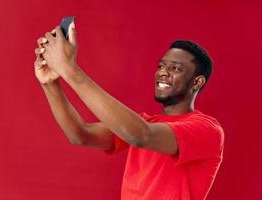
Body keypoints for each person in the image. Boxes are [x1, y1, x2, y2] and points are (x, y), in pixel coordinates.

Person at [34, 22, 224, 200]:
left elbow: (141, 136)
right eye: (161, 65)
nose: (162, 72)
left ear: (197, 82)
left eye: (175, 68)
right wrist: (50, 83)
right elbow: (81, 134)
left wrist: (70, 70)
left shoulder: (207, 130)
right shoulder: (144, 124)